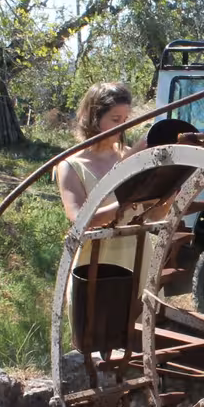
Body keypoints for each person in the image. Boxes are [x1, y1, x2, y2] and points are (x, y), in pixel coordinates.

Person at [55, 82, 139, 270]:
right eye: (116, 119)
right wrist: (128, 199)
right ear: (93, 118)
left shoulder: (133, 157)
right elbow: (80, 220)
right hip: (94, 266)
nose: (122, 127)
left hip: (138, 257)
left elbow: (156, 214)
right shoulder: (71, 166)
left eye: (125, 120)